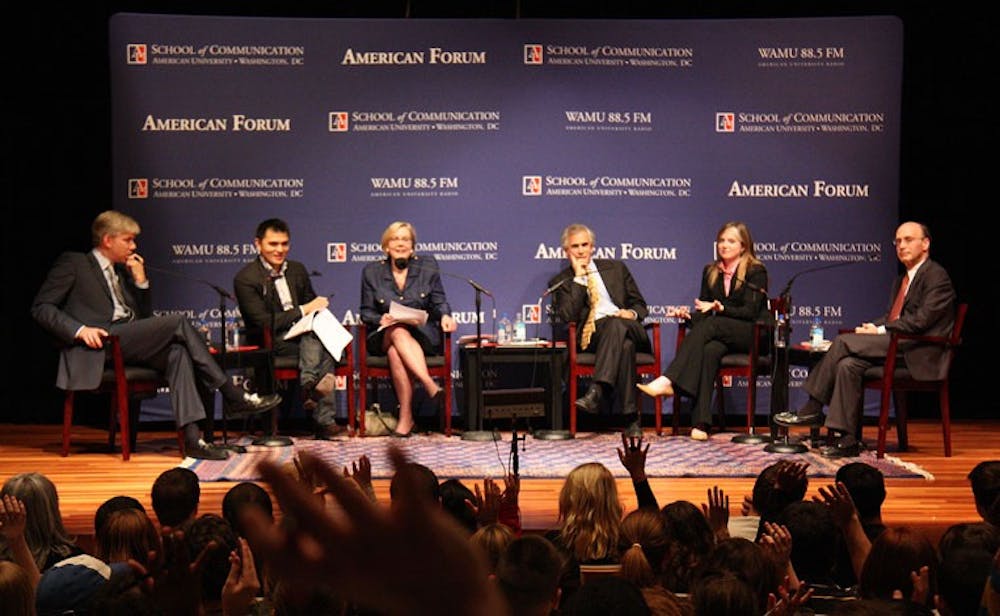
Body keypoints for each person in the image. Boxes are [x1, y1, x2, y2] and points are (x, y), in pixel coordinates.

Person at [31, 210, 281, 460]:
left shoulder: (121, 273)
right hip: (99, 345)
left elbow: (143, 321)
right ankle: (232, 393)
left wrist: (140, 282)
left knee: (178, 353)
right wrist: (79, 330)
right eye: (128, 240)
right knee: (178, 322)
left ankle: (194, 440)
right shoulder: (75, 263)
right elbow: (42, 308)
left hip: (126, 342)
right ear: (108, 240)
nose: (134, 246)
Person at [775, 221, 956, 457]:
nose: (901, 245)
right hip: (899, 345)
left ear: (926, 244)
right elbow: (894, 316)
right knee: (848, 364)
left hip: (919, 353)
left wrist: (881, 331)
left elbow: (921, 321)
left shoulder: (936, 276)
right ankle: (848, 438)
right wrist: (875, 326)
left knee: (842, 342)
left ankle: (812, 407)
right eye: (898, 241)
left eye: (908, 240)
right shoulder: (902, 280)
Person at [636, 221, 769, 441]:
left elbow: (751, 311)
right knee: (710, 350)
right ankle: (701, 422)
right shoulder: (711, 271)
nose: (724, 245)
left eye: (731, 241)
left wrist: (720, 307)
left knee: (713, 326)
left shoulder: (756, 271)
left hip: (752, 333)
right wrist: (688, 316)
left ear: (744, 246)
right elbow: (705, 311)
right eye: (722, 240)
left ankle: (670, 380)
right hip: (723, 333)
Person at [234, 217, 347, 439]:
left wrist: (312, 312)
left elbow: (312, 306)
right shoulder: (246, 278)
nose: (279, 249)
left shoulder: (297, 270)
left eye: (284, 244)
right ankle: (323, 419)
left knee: (317, 339)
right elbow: (262, 322)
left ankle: (309, 383)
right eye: (273, 244)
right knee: (321, 348)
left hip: (303, 335)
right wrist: (304, 310)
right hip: (271, 340)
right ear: (258, 244)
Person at [549, 223, 650, 428]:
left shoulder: (616, 268)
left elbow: (640, 305)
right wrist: (579, 279)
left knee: (616, 324)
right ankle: (631, 420)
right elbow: (569, 316)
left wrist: (629, 313)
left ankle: (596, 391)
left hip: (628, 325)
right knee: (625, 347)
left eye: (584, 245)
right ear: (566, 251)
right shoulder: (561, 282)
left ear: (592, 247)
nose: (580, 250)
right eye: (575, 246)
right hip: (593, 337)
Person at [360, 221, 455, 437]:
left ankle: (406, 418)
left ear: (412, 247)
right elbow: (366, 312)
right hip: (384, 334)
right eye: (395, 239)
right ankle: (428, 383)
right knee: (397, 330)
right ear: (386, 246)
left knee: (396, 351)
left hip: (421, 335)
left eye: (405, 239)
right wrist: (380, 317)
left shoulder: (427, 266)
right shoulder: (371, 272)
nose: (400, 243)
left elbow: (439, 301)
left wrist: (446, 315)